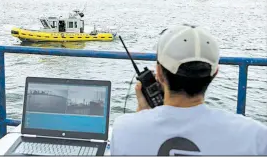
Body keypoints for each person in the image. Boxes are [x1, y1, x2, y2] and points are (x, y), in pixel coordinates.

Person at [110, 24, 267, 155]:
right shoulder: (255, 136)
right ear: (215, 73)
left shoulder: (123, 130)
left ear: (159, 73)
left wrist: (142, 113)